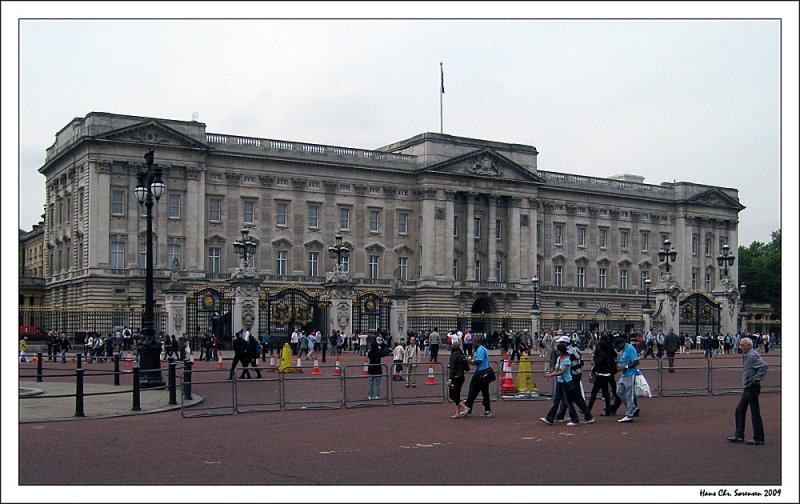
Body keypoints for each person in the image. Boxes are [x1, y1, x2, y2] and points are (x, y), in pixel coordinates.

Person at [727, 337, 768, 445]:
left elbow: (764, 366)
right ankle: (739, 434)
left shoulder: (752, 355)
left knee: (754, 413)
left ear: (748, 346)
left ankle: (758, 437)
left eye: (742, 345)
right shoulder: (749, 354)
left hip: (752, 386)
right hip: (748, 386)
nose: (741, 347)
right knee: (740, 410)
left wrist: (756, 378)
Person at [555, 335, 594, 424]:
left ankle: (587, 416)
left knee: (574, 397)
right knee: (568, 397)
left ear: (565, 343)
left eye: (561, 343)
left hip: (571, 376)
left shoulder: (568, 352)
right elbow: (582, 363)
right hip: (577, 374)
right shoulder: (576, 349)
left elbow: (566, 364)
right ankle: (560, 415)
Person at [540, 342, 581, 426]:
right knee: (556, 400)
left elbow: (562, 372)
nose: (556, 352)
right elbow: (557, 369)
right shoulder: (559, 358)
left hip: (567, 382)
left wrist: (550, 375)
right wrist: (550, 374)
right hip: (560, 382)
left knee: (568, 401)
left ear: (560, 351)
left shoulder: (567, 360)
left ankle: (575, 419)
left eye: (557, 350)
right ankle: (549, 418)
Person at [462, 334, 493, 418]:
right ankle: (487, 410)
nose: (472, 342)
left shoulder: (480, 350)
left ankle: (468, 408)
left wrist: (470, 361)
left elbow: (478, 361)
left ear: (477, 342)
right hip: (484, 373)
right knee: (484, 392)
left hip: (480, 373)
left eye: (473, 341)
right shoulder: (483, 349)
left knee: (472, 391)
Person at [587, 333, 617, 416]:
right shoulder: (609, 353)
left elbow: (597, 363)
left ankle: (588, 410)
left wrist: (594, 368)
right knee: (606, 393)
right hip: (607, 375)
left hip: (601, 375)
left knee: (594, 393)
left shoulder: (602, 354)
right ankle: (607, 410)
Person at [613, 336, 640, 423]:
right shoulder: (623, 350)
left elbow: (636, 361)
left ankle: (629, 415)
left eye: (617, 346)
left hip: (630, 374)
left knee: (629, 394)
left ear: (622, 343)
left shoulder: (630, 349)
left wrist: (626, 367)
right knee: (619, 392)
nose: (617, 348)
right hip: (624, 374)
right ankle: (632, 408)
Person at [447, 340, 470, 418]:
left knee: (452, 395)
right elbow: (467, 368)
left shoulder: (453, 355)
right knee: (457, 395)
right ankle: (457, 412)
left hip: (455, 378)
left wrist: (450, 379)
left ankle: (465, 407)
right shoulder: (462, 355)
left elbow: (452, 368)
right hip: (461, 376)